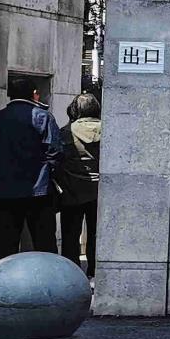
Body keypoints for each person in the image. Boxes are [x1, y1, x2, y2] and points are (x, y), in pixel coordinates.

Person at [0, 76, 62, 258]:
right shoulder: (43, 117)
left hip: (4, 193)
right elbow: (56, 152)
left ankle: (5, 276)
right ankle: (47, 276)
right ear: (34, 94)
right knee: (45, 244)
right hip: (38, 193)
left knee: (6, 246)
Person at [58, 90, 101, 275]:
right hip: (100, 192)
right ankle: (95, 270)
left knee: (70, 235)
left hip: (72, 190)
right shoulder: (109, 128)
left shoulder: (66, 131)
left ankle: (71, 273)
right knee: (97, 234)